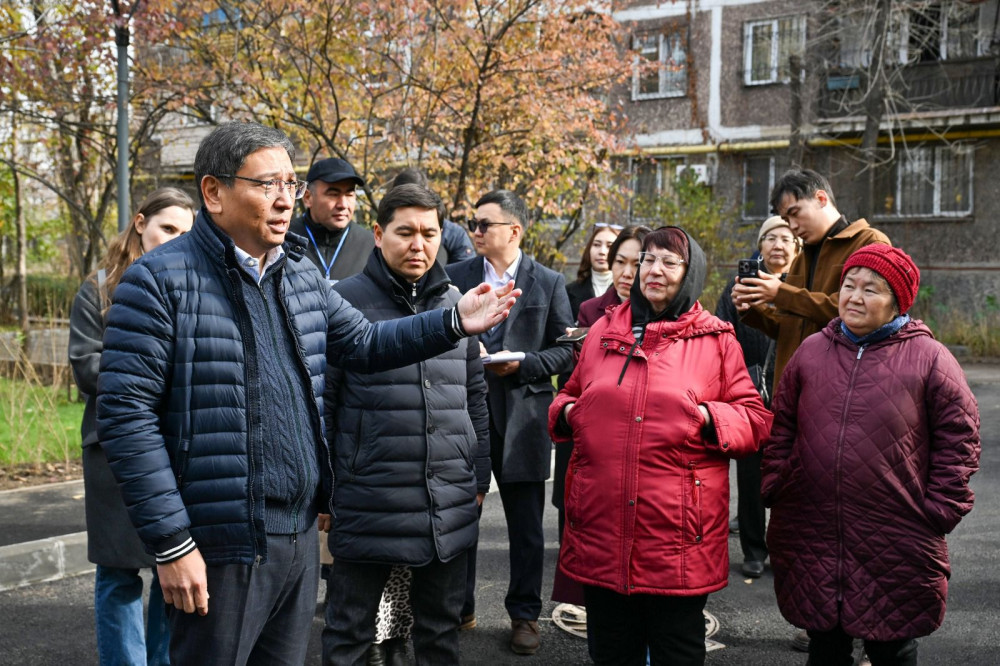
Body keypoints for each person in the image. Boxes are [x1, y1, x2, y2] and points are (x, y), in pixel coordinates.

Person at [96, 122, 519, 665]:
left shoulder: (298, 273)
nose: (283, 200)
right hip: (222, 542)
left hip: (296, 536)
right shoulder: (158, 281)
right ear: (213, 192)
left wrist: (453, 322)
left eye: (290, 185)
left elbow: (366, 342)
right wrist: (172, 543)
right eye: (266, 184)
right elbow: (127, 417)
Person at [549, 226, 772, 665]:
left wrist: (708, 418)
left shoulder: (716, 339)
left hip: (676, 536)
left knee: (676, 651)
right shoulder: (600, 332)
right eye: (648, 259)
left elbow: (756, 419)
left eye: (670, 262)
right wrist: (571, 413)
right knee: (611, 650)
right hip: (601, 526)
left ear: (690, 275)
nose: (654, 270)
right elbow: (566, 396)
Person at [762, 245, 981, 666]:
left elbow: (961, 438)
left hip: (898, 535)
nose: (854, 297)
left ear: (898, 301)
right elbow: (781, 424)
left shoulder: (930, 358)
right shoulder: (811, 352)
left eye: (871, 289)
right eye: (848, 285)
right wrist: (777, 483)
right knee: (824, 645)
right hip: (813, 530)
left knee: (892, 646)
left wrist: (938, 508)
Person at [320, 183, 491, 665]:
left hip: (447, 499)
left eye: (430, 232)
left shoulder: (459, 303)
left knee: (439, 632)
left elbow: (473, 395)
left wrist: (478, 474)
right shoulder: (344, 303)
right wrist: (326, 490)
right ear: (378, 234)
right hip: (368, 495)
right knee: (350, 631)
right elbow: (325, 403)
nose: (419, 244)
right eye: (406, 232)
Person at [69, 187, 195, 666]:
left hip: (177, 447)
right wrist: (159, 372)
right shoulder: (98, 287)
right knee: (120, 575)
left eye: (186, 232)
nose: (175, 240)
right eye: (167, 228)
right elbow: (87, 366)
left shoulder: (191, 286)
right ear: (140, 223)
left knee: (175, 571)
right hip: (115, 448)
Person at [447, 190, 574, 655]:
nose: (475, 231)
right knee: (461, 514)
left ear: (514, 231)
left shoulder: (549, 281)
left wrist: (523, 365)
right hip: (465, 409)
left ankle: (525, 615)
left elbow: (569, 349)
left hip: (524, 415)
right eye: (473, 223)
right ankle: (457, 607)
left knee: (525, 525)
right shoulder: (454, 276)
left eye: (484, 224)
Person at [733, 168, 890, 384]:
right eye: (787, 220)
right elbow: (789, 329)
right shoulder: (800, 258)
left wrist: (781, 293)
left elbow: (859, 313)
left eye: (795, 213)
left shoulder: (869, 243)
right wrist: (752, 307)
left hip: (839, 388)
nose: (793, 227)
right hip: (791, 390)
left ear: (821, 198)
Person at [714, 216, 800, 579]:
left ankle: (788, 547)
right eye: (770, 238)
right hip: (748, 396)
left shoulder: (804, 288)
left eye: (786, 238)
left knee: (792, 478)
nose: (778, 244)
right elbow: (721, 336)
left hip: (796, 397)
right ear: (760, 245)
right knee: (749, 477)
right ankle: (753, 548)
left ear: (797, 247)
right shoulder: (741, 286)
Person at [289, 156, 374, 281]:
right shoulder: (285, 239)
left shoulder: (370, 245)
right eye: (333, 194)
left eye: (349, 194)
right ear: (308, 198)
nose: (343, 205)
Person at [389, 167, 475, 265]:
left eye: (428, 235)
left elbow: (466, 272)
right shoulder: (384, 231)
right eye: (405, 234)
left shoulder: (453, 235)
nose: (417, 246)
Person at [565, 223, 622, 320]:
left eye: (609, 246)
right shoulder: (569, 291)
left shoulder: (626, 291)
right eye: (596, 245)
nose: (602, 251)